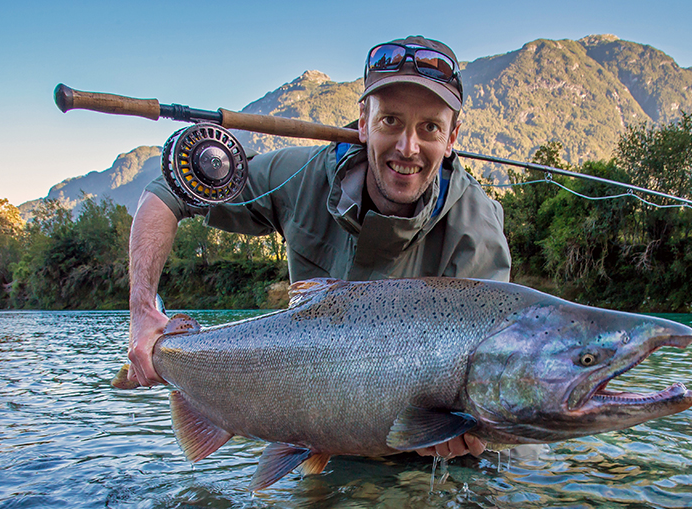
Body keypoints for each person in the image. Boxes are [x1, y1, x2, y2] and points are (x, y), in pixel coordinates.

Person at [126, 36, 511, 459]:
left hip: (417, 444)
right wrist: (143, 310)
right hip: (312, 421)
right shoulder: (301, 175)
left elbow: (493, 369)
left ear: (452, 135)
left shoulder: (478, 227)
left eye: (429, 128)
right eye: (391, 122)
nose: (408, 148)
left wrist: (472, 433)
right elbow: (169, 191)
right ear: (363, 121)